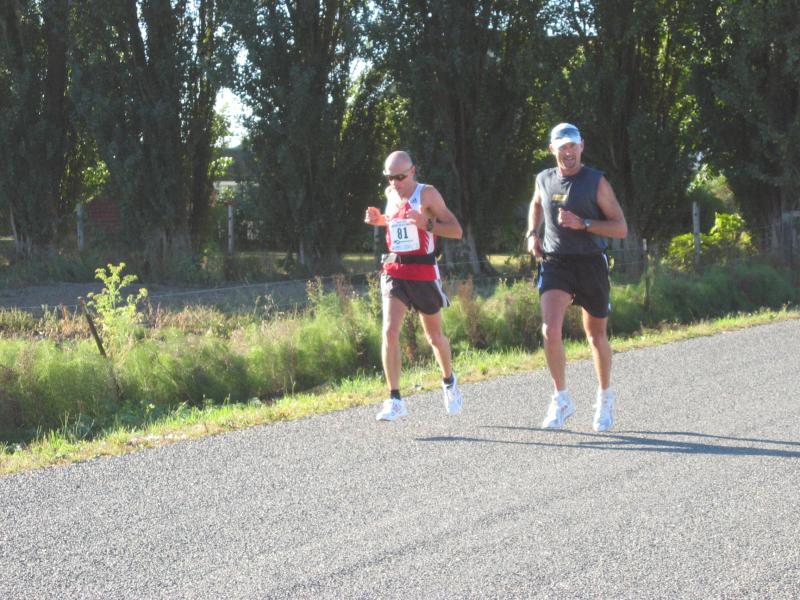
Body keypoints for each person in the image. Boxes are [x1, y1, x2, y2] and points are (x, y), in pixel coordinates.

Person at [526, 123, 628, 432]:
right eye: (562, 147)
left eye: (573, 145)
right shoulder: (543, 178)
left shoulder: (596, 182)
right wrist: (532, 233)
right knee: (550, 330)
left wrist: (584, 223)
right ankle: (561, 398)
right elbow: (536, 203)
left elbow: (620, 228)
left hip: (590, 263)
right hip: (556, 262)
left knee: (596, 336)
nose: (568, 152)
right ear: (552, 150)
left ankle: (605, 397)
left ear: (581, 146)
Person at [364, 151, 464, 421]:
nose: (395, 182)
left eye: (399, 177)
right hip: (395, 270)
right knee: (389, 330)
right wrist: (379, 221)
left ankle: (448, 380)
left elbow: (456, 230)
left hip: (424, 272)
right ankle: (394, 399)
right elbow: (398, 221)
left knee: (434, 337)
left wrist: (427, 223)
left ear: (412, 171)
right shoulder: (389, 194)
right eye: (389, 177)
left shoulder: (428, 194)